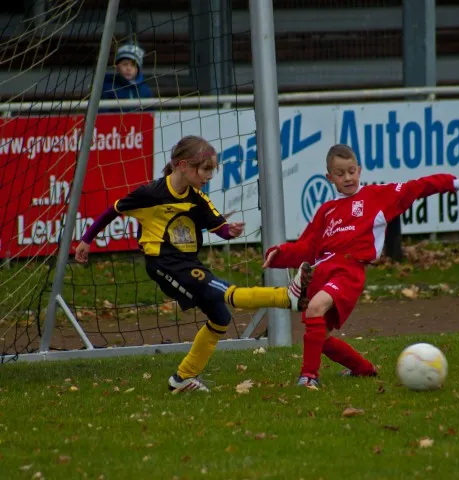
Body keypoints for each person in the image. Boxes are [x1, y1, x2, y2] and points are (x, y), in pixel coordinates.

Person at [75, 135, 312, 393]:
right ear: (183, 165)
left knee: (220, 317)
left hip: (188, 262)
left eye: (213, 170)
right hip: (164, 264)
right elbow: (113, 210)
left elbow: (218, 226)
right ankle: (285, 297)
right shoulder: (151, 194)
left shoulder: (198, 199)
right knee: (225, 292)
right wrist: (86, 240)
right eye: (205, 169)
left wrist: (229, 231)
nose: (209, 176)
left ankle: (183, 378)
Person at [263, 144, 459, 388]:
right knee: (321, 337)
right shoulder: (326, 211)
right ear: (329, 178)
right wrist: (279, 254)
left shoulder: (376, 196)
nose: (347, 177)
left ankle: (309, 376)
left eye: (351, 171)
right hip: (322, 272)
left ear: (360, 170)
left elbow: (416, 187)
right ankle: (364, 369)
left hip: (348, 271)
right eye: (340, 174)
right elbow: (307, 248)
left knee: (315, 308)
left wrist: (454, 183)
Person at [101, 43, 152, 109]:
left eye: (133, 65)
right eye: (125, 64)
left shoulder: (145, 90)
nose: (128, 68)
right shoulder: (108, 88)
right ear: (117, 67)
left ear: (138, 69)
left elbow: (150, 111)